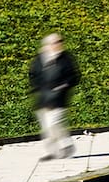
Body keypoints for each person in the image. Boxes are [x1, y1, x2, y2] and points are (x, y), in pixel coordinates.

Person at [29, 32, 81, 160]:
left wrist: (63, 86)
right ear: (47, 44)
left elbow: (74, 76)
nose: (58, 44)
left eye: (59, 41)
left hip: (59, 98)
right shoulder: (40, 58)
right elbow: (33, 74)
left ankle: (64, 146)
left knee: (54, 123)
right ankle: (55, 150)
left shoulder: (66, 58)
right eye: (55, 42)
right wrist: (38, 88)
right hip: (43, 98)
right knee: (47, 127)